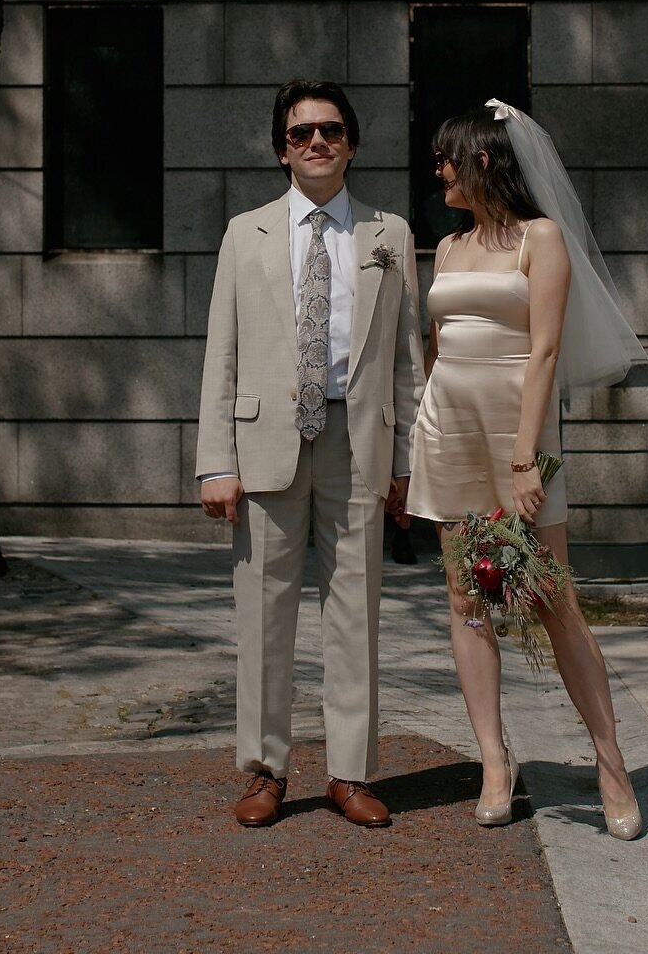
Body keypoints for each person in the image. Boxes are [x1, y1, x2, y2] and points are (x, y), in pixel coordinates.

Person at [406, 100, 647, 838]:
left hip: (520, 437)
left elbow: (543, 351)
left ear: (484, 159)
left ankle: (610, 764)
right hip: (448, 428)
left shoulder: (541, 238)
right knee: (465, 600)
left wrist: (523, 456)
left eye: (447, 156)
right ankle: (494, 763)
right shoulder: (446, 250)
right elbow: (440, 346)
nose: (436, 169)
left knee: (553, 600)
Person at [196, 78, 425, 829]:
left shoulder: (388, 236)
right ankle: (265, 771)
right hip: (265, 443)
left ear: (352, 143)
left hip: (359, 442)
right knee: (264, 613)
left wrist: (408, 462)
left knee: (355, 614)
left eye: (330, 130)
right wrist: (215, 461)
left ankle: (350, 773)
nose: (317, 142)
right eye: (301, 133)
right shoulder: (245, 233)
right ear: (281, 149)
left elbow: (404, 358)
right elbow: (221, 355)